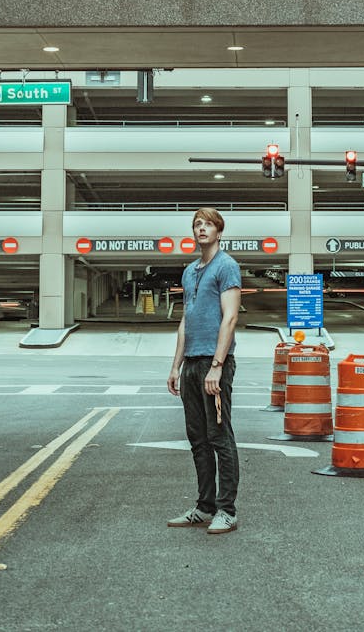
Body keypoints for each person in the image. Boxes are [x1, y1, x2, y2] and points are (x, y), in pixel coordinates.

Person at [167, 207, 242, 535]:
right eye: (197, 224)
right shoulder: (189, 272)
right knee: (197, 438)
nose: (201, 229)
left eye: (208, 224)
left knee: (219, 436)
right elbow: (187, 319)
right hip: (192, 365)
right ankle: (204, 506)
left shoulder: (226, 266)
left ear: (219, 232)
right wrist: (176, 365)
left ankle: (227, 510)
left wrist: (217, 365)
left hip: (215, 364)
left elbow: (230, 318)